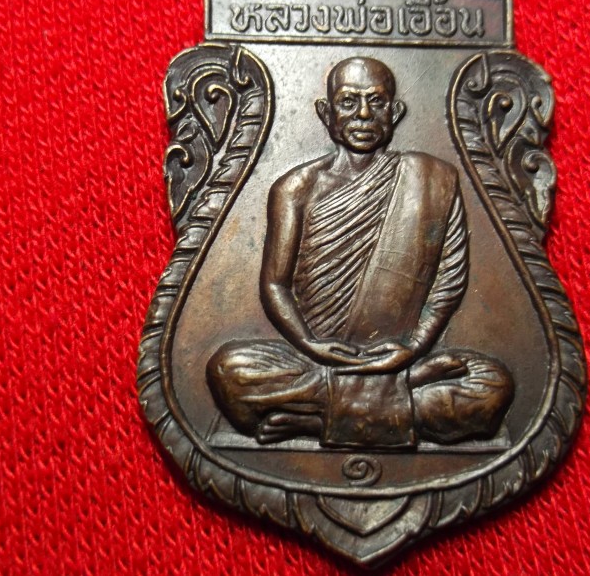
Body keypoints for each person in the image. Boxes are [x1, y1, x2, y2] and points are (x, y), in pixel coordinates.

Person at [207, 57, 513, 448]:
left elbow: (448, 283)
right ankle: (395, 397)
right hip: (319, 359)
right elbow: (275, 285)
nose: (364, 114)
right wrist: (310, 345)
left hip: (400, 357)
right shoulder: (295, 188)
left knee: (493, 385)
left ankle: (315, 418)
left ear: (395, 112)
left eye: (376, 101)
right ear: (326, 113)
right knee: (229, 370)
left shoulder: (433, 179)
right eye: (349, 102)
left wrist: (413, 348)